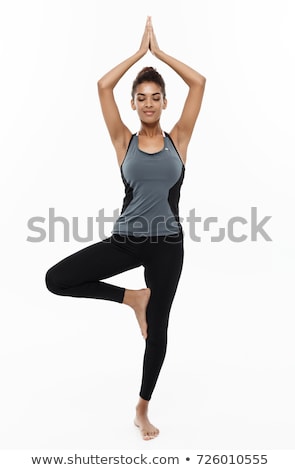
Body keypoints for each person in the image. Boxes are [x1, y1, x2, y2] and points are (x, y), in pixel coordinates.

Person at [45, 16, 206, 440]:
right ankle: (132, 297)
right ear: (133, 104)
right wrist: (139, 53)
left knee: (159, 330)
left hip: (168, 246)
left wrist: (161, 54)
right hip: (126, 241)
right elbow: (102, 87)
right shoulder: (123, 141)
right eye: (141, 97)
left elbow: (200, 83)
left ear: (164, 102)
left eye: (156, 97)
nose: (149, 103)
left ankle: (142, 407)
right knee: (57, 279)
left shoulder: (180, 139)